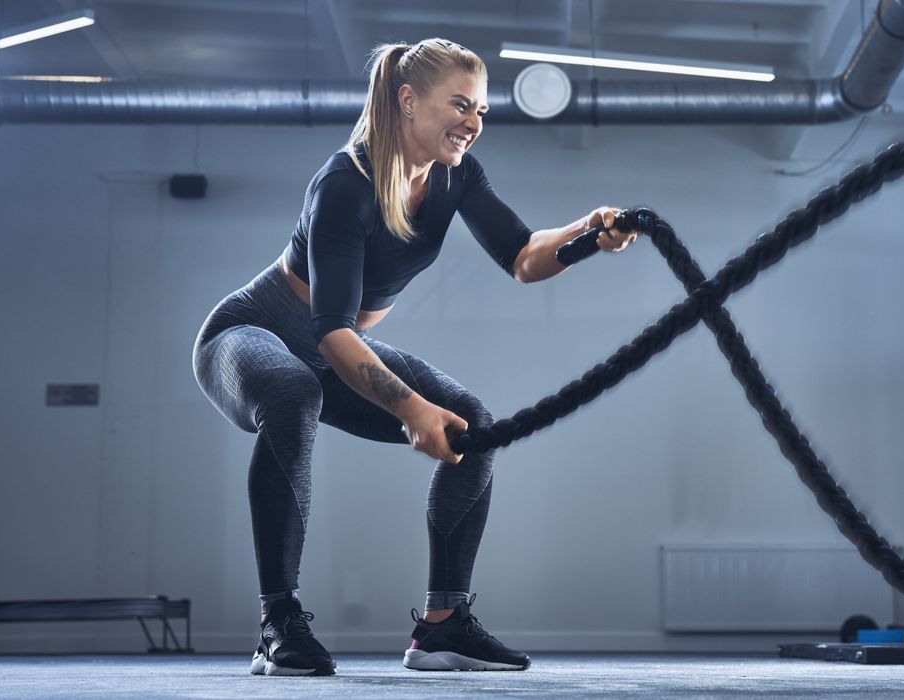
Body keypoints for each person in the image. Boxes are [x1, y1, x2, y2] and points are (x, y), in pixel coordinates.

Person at [192, 38, 638, 676]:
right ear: (407, 100)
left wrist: (588, 235)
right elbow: (332, 332)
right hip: (249, 335)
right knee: (295, 394)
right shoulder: (346, 184)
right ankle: (278, 625)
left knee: (470, 423)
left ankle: (442, 626)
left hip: (332, 347)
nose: (474, 123)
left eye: (481, 110)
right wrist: (410, 408)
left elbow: (522, 257)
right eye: (460, 105)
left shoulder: (456, 177)